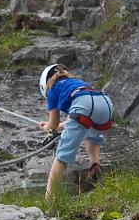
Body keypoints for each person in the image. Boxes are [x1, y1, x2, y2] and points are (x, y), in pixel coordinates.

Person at [37, 64, 114, 207]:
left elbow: (53, 123)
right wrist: (57, 127)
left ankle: (49, 202)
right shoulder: (77, 83)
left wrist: (47, 127)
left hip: (84, 106)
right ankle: (94, 164)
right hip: (105, 103)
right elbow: (75, 119)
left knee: (61, 157)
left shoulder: (52, 87)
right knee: (90, 130)